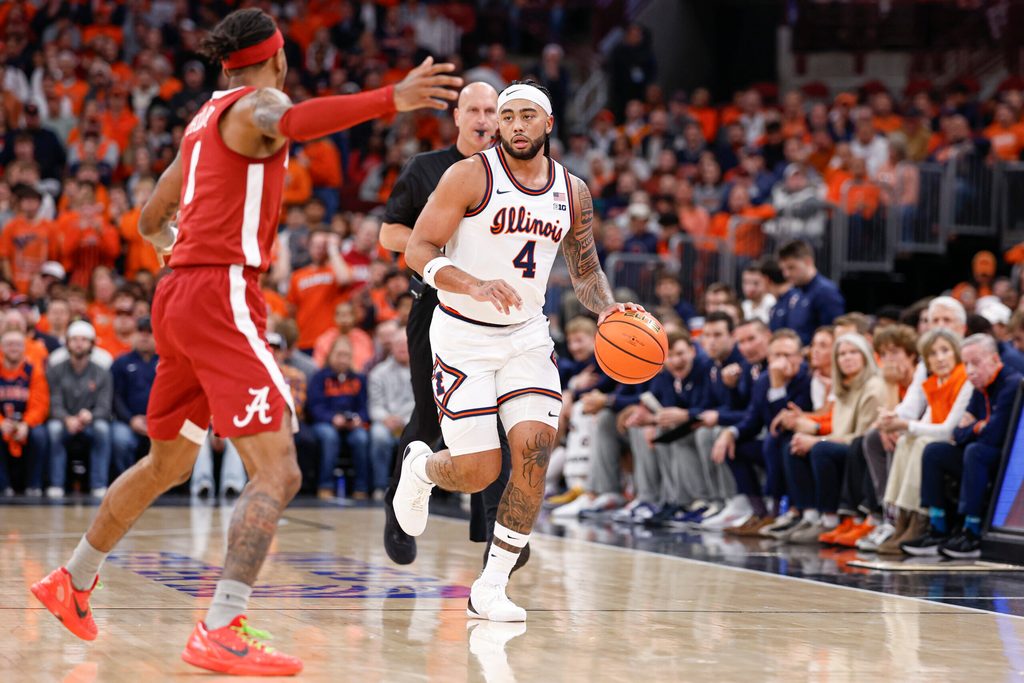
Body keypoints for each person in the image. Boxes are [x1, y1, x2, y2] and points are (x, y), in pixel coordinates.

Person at [31, 8, 461, 676]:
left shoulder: (201, 123)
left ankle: (73, 577)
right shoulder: (261, 104)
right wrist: (390, 98)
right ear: (277, 58)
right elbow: (292, 121)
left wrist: (183, 252)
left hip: (176, 293)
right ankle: (222, 624)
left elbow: (149, 218)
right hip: (220, 293)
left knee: (167, 463)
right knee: (280, 469)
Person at [395, 80, 642, 621]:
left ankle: (493, 584)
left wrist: (607, 309)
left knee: (532, 452)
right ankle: (421, 470)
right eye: (507, 117)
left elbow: (586, 268)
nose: (515, 126)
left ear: (548, 123)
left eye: (527, 116)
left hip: (527, 334)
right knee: (479, 470)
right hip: (462, 332)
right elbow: (417, 247)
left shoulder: (572, 191)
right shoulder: (470, 175)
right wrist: (470, 284)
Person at [377, 81, 505, 567]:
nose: (483, 118)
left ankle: (495, 525)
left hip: (495, 313)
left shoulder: (514, 175)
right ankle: (398, 506)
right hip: (434, 305)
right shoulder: (426, 168)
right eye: (472, 108)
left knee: (497, 414)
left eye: (491, 110)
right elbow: (389, 232)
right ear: (456, 116)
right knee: (432, 416)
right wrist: (437, 250)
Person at [902, 334, 1023, 559]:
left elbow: (994, 436)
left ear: (995, 360)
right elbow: (958, 433)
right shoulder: (979, 386)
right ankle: (937, 526)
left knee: (975, 451)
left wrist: (973, 427)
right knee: (935, 451)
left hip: (1007, 464)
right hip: (978, 453)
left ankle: (973, 530)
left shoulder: (1012, 383)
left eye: (975, 363)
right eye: (966, 364)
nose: (969, 371)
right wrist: (978, 427)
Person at [45, 320, 113, 499]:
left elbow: (105, 407)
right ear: (67, 342)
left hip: (91, 422)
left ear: (92, 344)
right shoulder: (56, 369)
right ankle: (56, 484)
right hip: (64, 422)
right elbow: (54, 402)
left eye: (84, 339)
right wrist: (67, 419)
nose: (79, 343)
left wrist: (90, 415)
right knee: (54, 429)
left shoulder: (102, 372)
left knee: (102, 429)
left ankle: (99, 484)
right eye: (74, 339)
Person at [308, 337, 371, 500]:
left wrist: (358, 419)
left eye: (347, 355)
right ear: (331, 355)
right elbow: (314, 407)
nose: (343, 359)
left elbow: (364, 408)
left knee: (361, 438)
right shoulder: (320, 377)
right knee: (329, 437)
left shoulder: (359, 379)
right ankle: (325, 485)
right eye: (339, 354)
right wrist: (332, 418)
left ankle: (361, 487)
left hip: (351, 426)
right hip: (325, 423)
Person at [0, 327, 49, 497]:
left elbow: (40, 404)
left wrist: (26, 424)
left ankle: (33, 485)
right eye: (9, 344)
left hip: (26, 422)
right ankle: (3, 486)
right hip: (3, 422)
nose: (13, 348)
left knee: (40, 435)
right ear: (1, 348)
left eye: (18, 344)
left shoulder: (33, 370)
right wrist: (1, 423)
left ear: (24, 348)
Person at [368, 328, 414, 502]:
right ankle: (380, 487)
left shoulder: (422, 371)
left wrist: (403, 420)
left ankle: (412, 488)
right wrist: (386, 418)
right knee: (378, 436)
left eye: (405, 344)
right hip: (385, 421)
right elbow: (375, 405)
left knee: (423, 436)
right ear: (391, 347)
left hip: (410, 419)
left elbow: (421, 402)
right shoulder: (378, 373)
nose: (402, 348)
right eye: (398, 344)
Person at [770, 239, 845, 344]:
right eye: (783, 269)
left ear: (808, 261)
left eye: (791, 267)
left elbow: (832, 333)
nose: (786, 274)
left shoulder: (826, 292)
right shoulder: (793, 292)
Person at [109, 316, 158, 476]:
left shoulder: (167, 362)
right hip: (128, 421)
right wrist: (131, 419)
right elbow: (115, 397)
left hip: (160, 421)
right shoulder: (121, 363)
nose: (145, 336)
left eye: (149, 332)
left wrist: (158, 421)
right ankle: (125, 482)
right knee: (120, 439)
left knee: (178, 440)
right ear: (133, 335)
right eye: (140, 331)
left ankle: (168, 486)